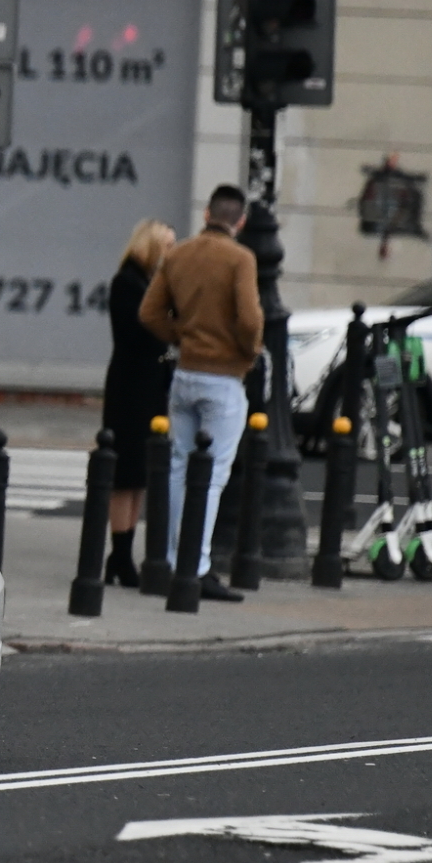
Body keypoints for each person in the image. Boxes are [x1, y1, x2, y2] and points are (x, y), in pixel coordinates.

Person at [138, 183, 263, 602]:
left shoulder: (178, 254)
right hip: (223, 379)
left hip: (185, 373)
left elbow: (149, 312)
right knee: (210, 479)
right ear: (240, 221)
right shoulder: (240, 258)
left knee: (177, 468)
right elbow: (249, 319)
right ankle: (199, 566)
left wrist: (183, 338)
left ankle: (171, 560)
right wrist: (246, 352)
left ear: (207, 213)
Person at [101, 218, 176, 586]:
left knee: (140, 474)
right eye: (167, 246)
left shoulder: (149, 283)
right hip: (130, 387)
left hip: (150, 387)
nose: (171, 254)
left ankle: (123, 552)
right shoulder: (127, 283)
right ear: (151, 246)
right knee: (123, 473)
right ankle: (119, 554)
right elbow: (137, 333)